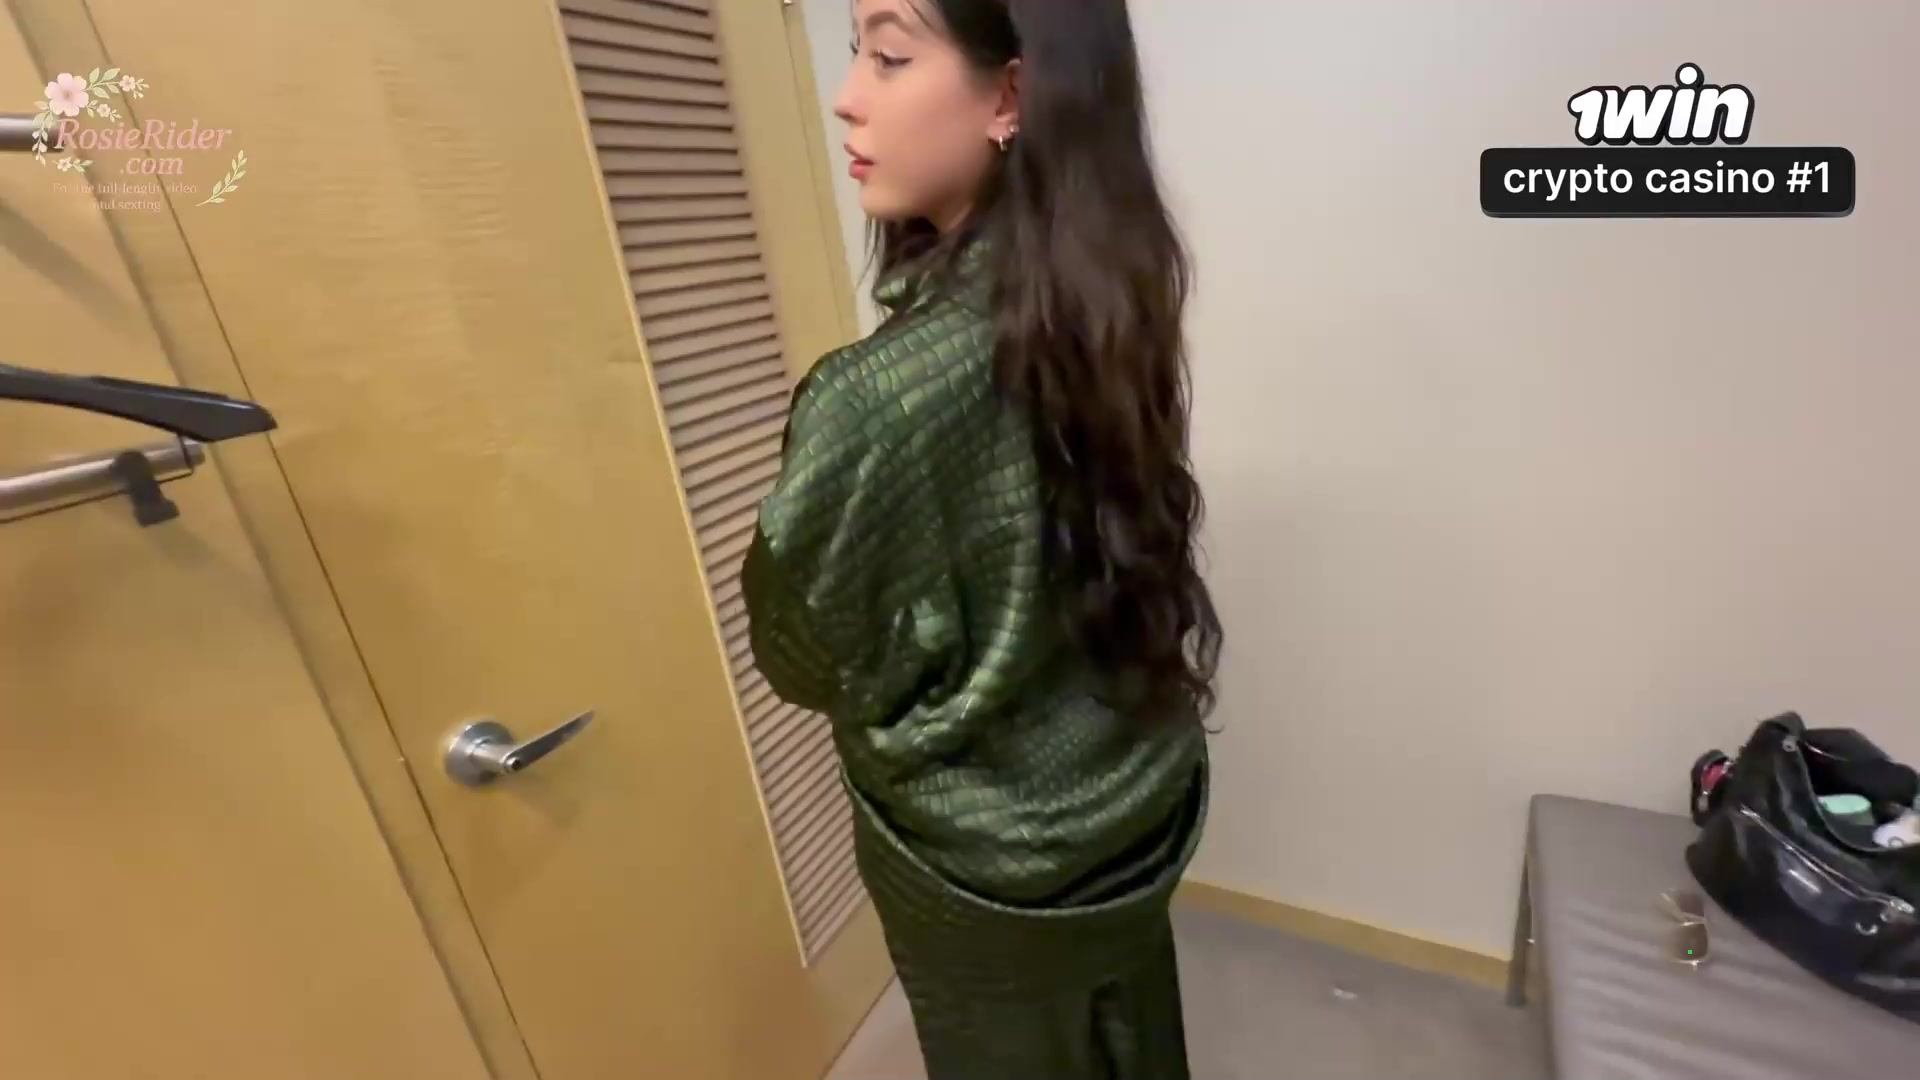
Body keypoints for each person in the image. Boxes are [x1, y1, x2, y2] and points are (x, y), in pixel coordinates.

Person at [741, 1, 1221, 1076]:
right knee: (1132, 1039)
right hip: (1128, 796)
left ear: (1010, 94)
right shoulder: (1114, 295)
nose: (846, 97)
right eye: (855, 54)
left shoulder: (872, 400)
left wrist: (923, 625)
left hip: (982, 860)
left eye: (888, 54)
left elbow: (800, 657)